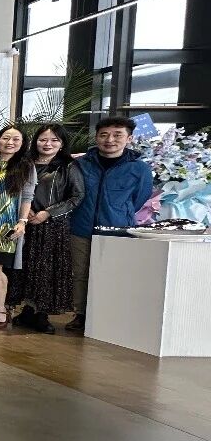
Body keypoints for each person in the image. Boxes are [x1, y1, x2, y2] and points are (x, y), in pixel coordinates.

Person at [66, 116, 154, 333]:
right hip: (81, 227)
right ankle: (81, 314)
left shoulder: (139, 168)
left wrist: (118, 213)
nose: (110, 140)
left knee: (113, 274)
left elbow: (139, 198)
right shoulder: (81, 164)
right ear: (96, 137)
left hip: (118, 230)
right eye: (104, 135)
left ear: (129, 138)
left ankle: (108, 316)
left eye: (117, 135)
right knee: (80, 274)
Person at [8, 123, 85, 334]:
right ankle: (27, 310)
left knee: (46, 270)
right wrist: (27, 212)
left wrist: (48, 213)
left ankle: (41, 313)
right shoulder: (25, 163)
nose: (47, 144)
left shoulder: (68, 166)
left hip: (53, 226)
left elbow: (77, 196)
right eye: (43, 139)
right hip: (25, 223)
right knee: (25, 268)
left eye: (54, 140)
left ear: (62, 144)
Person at [0, 125, 36, 329]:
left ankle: (0, 311)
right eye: (5, 138)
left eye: (15, 139)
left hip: (5, 226)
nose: (9, 142)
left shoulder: (26, 166)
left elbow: (27, 197)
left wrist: (22, 222)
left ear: (22, 144)